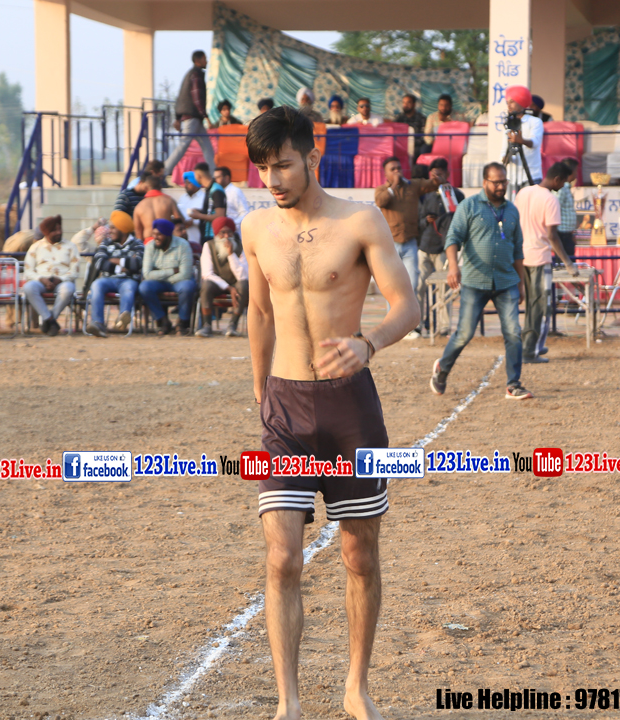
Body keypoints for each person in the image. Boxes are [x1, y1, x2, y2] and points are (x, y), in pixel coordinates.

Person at [242, 106, 419, 720]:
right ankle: (288, 703)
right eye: (263, 169)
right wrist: (260, 389)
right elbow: (259, 312)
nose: (273, 180)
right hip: (284, 411)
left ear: (312, 158)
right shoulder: (256, 228)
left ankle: (355, 688)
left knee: (359, 555)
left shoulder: (359, 220)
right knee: (282, 557)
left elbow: (407, 304)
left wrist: (369, 343)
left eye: (284, 165)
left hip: (351, 408)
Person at [429, 163, 529, 399]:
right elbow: (452, 238)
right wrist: (453, 267)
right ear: (485, 182)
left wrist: (521, 283)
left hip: (506, 281)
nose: (501, 186)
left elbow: (518, 250)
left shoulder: (512, 211)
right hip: (475, 281)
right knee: (464, 333)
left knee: (513, 332)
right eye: (496, 182)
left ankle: (513, 384)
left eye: (504, 181)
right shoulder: (469, 206)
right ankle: (442, 369)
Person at [514, 162, 579, 363]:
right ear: (557, 179)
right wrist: (568, 262)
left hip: (521, 256)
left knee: (531, 304)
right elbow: (552, 235)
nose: (563, 186)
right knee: (540, 306)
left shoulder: (523, 193)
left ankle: (532, 344)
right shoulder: (550, 199)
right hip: (540, 258)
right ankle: (529, 351)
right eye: (564, 182)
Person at [374, 155, 441, 339]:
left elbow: (431, 185)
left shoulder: (412, 185)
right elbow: (381, 202)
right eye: (393, 169)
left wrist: (436, 178)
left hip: (410, 242)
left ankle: (408, 326)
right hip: (390, 245)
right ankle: (392, 326)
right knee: (391, 287)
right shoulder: (382, 190)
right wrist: (394, 186)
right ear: (386, 174)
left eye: (399, 168)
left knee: (411, 284)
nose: (397, 171)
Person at [417, 158, 464, 336]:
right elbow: (419, 220)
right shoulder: (426, 195)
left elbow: (458, 218)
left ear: (447, 174)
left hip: (444, 248)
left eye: (439, 174)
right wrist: (426, 221)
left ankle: (443, 326)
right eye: (433, 175)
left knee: (444, 289)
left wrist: (446, 193)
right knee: (419, 286)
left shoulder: (457, 195)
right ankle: (417, 324)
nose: (436, 178)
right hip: (425, 246)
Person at [22, 215, 79, 337]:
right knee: (29, 288)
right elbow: (28, 270)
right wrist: (41, 279)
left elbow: (75, 270)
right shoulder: (36, 247)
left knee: (68, 289)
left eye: (60, 229)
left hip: (62, 281)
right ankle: (50, 320)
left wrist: (61, 279)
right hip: (41, 281)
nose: (59, 232)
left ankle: (49, 319)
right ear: (46, 233)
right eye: (54, 230)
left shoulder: (70, 246)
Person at [85, 221, 144, 338]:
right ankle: (97, 323)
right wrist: (123, 267)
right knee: (96, 285)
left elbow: (137, 263)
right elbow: (99, 262)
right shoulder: (106, 242)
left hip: (128, 280)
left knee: (129, 288)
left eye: (113, 228)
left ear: (123, 229)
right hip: (108, 280)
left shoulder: (137, 243)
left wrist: (113, 260)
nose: (110, 231)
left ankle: (122, 320)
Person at [139, 218, 197, 336]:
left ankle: (182, 322)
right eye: (154, 234)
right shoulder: (150, 246)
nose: (155, 237)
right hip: (160, 282)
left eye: (159, 235)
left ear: (168, 235)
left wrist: (167, 279)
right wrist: (172, 271)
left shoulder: (183, 245)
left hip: (180, 281)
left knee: (187, 287)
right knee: (144, 287)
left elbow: (185, 274)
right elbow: (147, 274)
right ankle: (162, 320)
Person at [163, 50, 214, 175]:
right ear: (198, 61)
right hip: (192, 117)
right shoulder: (196, 75)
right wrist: (206, 116)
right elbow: (197, 98)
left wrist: (178, 117)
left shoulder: (191, 74)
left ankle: (214, 174)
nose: (206, 61)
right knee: (183, 145)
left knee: (207, 147)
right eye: (204, 58)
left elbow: (181, 97)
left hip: (194, 118)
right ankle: (163, 172)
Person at [196, 217, 248, 337]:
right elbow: (207, 273)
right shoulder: (209, 245)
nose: (226, 236)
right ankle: (206, 326)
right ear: (216, 234)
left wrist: (231, 254)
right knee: (206, 285)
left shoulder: (241, 246)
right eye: (222, 233)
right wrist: (228, 288)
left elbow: (243, 275)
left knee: (244, 285)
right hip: (217, 283)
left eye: (229, 232)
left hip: (236, 282)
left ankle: (232, 325)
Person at [500, 85, 544, 192]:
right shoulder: (508, 123)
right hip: (512, 177)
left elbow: (535, 142)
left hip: (531, 175)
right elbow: (503, 152)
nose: (508, 105)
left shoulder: (535, 121)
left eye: (512, 102)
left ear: (521, 102)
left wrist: (521, 141)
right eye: (507, 102)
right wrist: (506, 156)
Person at [133, 175, 184, 243]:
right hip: (166, 241)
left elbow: (138, 233)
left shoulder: (139, 206)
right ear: (160, 187)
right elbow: (180, 221)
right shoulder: (169, 201)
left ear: (146, 188)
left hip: (148, 242)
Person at [555, 158, 580, 260]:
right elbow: (555, 209)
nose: (577, 174)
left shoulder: (567, 188)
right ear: (570, 171)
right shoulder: (562, 189)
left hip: (567, 234)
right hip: (562, 235)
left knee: (570, 262)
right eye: (576, 171)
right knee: (565, 264)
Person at [214, 165, 250, 231]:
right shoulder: (216, 191)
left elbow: (245, 212)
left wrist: (232, 224)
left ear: (227, 178)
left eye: (218, 177)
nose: (215, 180)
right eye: (215, 178)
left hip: (234, 231)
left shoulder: (235, 191)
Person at [393, 93, 427, 158]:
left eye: (408, 103)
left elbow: (423, 137)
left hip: (416, 146)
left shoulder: (421, 118)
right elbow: (393, 132)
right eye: (404, 102)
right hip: (401, 145)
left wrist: (411, 143)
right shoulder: (399, 118)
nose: (405, 105)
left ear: (414, 104)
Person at [176, 172, 206, 247]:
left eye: (189, 183)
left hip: (197, 238)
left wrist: (193, 221)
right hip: (182, 240)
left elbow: (207, 216)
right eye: (185, 183)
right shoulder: (182, 198)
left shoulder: (204, 198)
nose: (186, 185)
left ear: (195, 182)